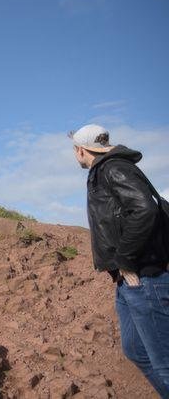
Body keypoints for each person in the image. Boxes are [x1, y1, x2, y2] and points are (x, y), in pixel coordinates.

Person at [70, 124, 169, 396]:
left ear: (81, 149)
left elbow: (144, 209)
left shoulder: (113, 169)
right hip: (128, 283)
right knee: (136, 351)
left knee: (164, 366)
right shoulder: (107, 169)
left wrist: (125, 260)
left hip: (144, 279)